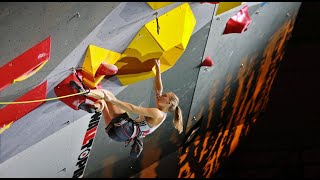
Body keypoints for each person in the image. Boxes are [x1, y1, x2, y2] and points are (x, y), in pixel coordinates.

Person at [70, 59, 183, 144]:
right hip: (117, 135)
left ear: (168, 103)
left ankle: (85, 92)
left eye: (164, 96)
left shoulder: (157, 113)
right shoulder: (161, 113)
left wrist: (113, 100)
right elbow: (158, 89)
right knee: (103, 103)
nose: (160, 95)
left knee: (107, 95)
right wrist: (158, 70)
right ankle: (93, 107)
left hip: (126, 128)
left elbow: (132, 108)